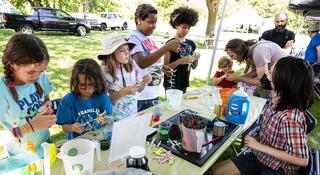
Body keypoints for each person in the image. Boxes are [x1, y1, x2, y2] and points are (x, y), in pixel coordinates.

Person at [212, 56, 314, 175]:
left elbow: (302, 160)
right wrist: (255, 136)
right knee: (217, 170)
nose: (266, 72)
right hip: (261, 157)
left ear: (283, 81)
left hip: (277, 168)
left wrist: (258, 146)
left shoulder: (290, 118)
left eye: (270, 72)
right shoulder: (273, 99)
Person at [0, 34, 56, 155]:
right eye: (31, 72)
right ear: (12, 64)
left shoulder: (40, 78)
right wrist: (32, 126)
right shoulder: (2, 91)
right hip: (22, 155)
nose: (36, 77)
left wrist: (47, 106)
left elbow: (46, 99)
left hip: (46, 145)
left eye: (41, 71)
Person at [128, 3, 181, 111]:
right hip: (142, 96)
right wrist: (166, 47)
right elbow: (141, 62)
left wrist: (161, 67)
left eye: (155, 22)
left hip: (153, 93)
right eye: (150, 22)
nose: (154, 26)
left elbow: (151, 61)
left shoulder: (148, 38)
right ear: (139, 20)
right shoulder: (134, 38)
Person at [98, 32, 150, 120]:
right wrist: (122, 92)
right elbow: (104, 102)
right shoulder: (104, 73)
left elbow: (139, 89)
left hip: (132, 115)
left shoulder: (132, 66)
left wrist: (144, 82)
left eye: (127, 49)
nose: (127, 53)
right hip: (114, 118)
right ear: (111, 54)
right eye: (122, 50)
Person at [56, 59, 112, 139]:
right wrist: (72, 127)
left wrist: (106, 119)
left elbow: (112, 118)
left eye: (91, 84)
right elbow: (65, 128)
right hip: (79, 141)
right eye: (82, 86)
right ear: (75, 83)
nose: (87, 90)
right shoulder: (68, 100)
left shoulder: (101, 96)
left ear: (98, 82)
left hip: (100, 138)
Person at [163, 7, 200, 93]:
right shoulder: (170, 44)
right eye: (184, 27)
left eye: (189, 28)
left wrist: (196, 59)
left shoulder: (191, 44)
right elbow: (165, 68)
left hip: (184, 82)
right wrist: (180, 61)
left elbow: (193, 67)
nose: (186, 30)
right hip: (171, 82)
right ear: (176, 25)